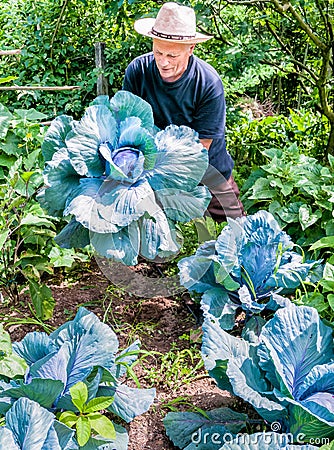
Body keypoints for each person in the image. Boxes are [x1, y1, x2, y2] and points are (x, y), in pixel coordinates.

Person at [123, 1, 245, 222]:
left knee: (236, 224)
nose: (163, 62)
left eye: (172, 56)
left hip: (208, 166)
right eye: (158, 52)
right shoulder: (137, 71)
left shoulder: (208, 83)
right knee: (148, 228)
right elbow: (127, 125)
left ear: (191, 49)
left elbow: (201, 148)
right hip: (150, 165)